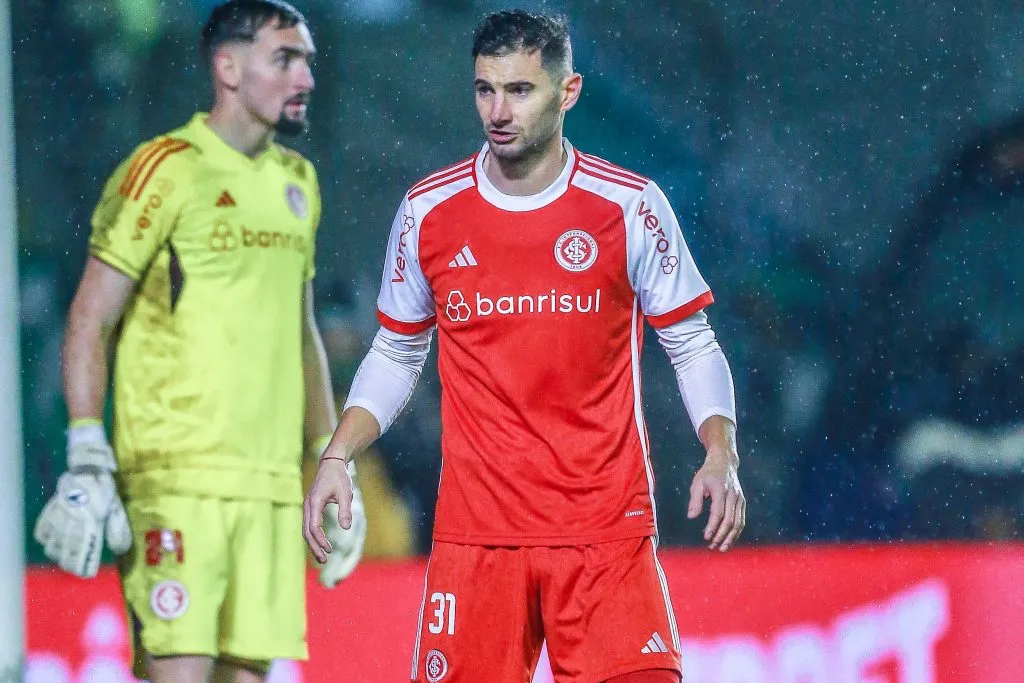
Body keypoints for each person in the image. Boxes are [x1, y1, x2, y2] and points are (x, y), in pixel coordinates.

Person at [304, 9, 745, 683]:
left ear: (567, 93)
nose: (498, 110)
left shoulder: (629, 207)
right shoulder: (430, 212)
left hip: (604, 536)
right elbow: (396, 352)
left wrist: (720, 448)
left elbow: (690, 340)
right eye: (485, 89)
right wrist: (339, 453)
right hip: (478, 541)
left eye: (520, 90)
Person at [32, 2, 366, 681]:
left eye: (308, 60)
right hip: (175, 479)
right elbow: (90, 318)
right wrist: (88, 451)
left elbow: (299, 329)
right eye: (285, 59)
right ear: (229, 67)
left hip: (269, 489)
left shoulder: (296, 183)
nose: (305, 76)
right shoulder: (163, 170)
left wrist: (335, 463)